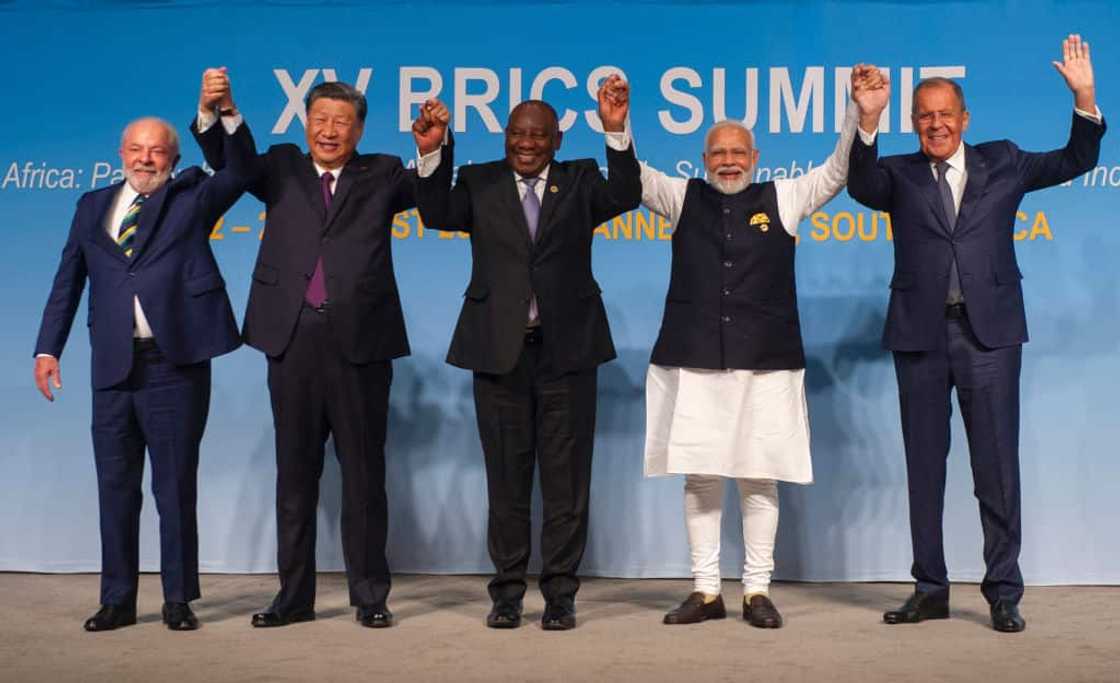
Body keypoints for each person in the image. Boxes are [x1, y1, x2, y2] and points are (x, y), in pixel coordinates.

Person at [847, 35, 1104, 633]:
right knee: (924, 468)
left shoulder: (1005, 161)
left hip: (989, 337)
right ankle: (930, 588)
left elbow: (1075, 160)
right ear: (913, 123)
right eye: (924, 116)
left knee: (996, 468)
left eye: (945, 115)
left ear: (965, 119)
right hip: (920, 337)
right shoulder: (897, 173)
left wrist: (1085, 99)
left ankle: (1003, 592)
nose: (935, 124)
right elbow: (860, 186)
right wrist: (868, 118)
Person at [191, 71, 449, 629]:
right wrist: (221, 111)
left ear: (359, 130)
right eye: (320, 120)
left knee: (363, 477)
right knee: (295, 477)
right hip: (291, 338)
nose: (329, 130)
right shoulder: (279, 166)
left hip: (361, 343)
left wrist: (430, 152)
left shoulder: (381, 172)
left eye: (341, 122)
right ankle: (293, 597)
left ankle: (370, 596)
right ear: (305, 123)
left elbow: (431, 200)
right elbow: (231, 162)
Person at [634, 67, 884, 628]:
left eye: (738, 151)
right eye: (717, 152)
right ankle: (704, 590)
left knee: (758, 474)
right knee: (699, 476)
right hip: (695, 360)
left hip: (767, 363)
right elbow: (634, 177)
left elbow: (839, 171)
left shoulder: (787, 197)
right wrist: (617, 127)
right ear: (703, 161)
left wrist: (860, 115)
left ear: (755, 155)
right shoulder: (680, 198)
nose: (728, 160)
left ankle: (755, 590)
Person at [414, 77, 641, 630]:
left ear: (557, 140)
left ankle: (560, 595)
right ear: (505, 136)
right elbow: (435, 213)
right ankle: (507, 594)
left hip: (567, 354)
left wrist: (616, 131)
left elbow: (627, 194)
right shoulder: (477, 181)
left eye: (538, 135)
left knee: (566, 485)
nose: (527, 143)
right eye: (517, 133)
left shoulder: (581, 180)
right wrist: (430, 153)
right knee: (507, 483)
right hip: (498, 353)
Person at [32, 69, 255, 632]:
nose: (146, 159)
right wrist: (46, 349)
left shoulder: (193, 197)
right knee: (115, 488)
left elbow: (243, 171)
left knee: (174, 487)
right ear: (120, 154)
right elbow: (68, 282)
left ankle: (177, 599)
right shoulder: (90, 206)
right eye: (136, 149)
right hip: (111, 365)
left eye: (158, 151)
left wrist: (222, 111)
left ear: (174, 158)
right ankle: (118, 599)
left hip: (173, 364)